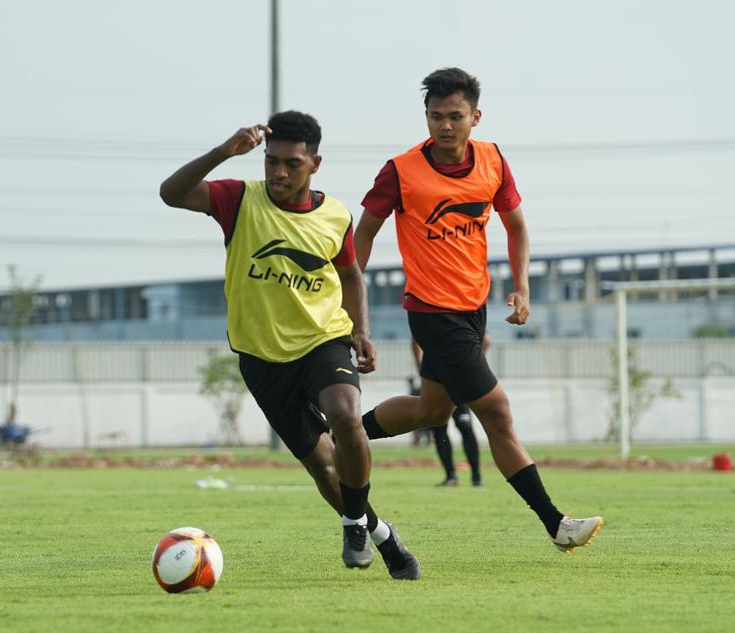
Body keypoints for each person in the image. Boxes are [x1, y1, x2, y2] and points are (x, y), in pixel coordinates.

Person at [159, 110, 420, 578]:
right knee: (323, 469)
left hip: (324, 340)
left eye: (292, 164)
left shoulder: (335, 215)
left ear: (314, 163)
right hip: (261, 358)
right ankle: (380, 533)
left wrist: (360, 330)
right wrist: (223, 152)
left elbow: (350, 274)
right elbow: (170, 193)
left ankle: (354, 526)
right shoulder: (238, 199)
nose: (279, 172)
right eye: (271, 161)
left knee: (345, 415)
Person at [353, 68, 604, 553]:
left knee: (432, 410)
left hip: (474, 310)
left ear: (475, 117)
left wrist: (523, 287)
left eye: (455, 116)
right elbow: (362, 234)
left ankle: (338, 435)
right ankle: (556, 523)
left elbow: (517, 228)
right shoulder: (401, 171)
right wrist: (350, 295)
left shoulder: (492, 160)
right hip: (432, 313)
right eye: (435, 117)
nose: (444, 126)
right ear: (425, 117)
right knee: (497, 411)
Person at [412, 338, 483, 487]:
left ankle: (467, 476)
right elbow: (415, 341)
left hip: (453, 380)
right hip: (446, 380)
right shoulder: (457, 321)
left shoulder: (433, 320)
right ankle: (462, 476)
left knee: (459, 427)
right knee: (449, 428)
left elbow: (415, 341)